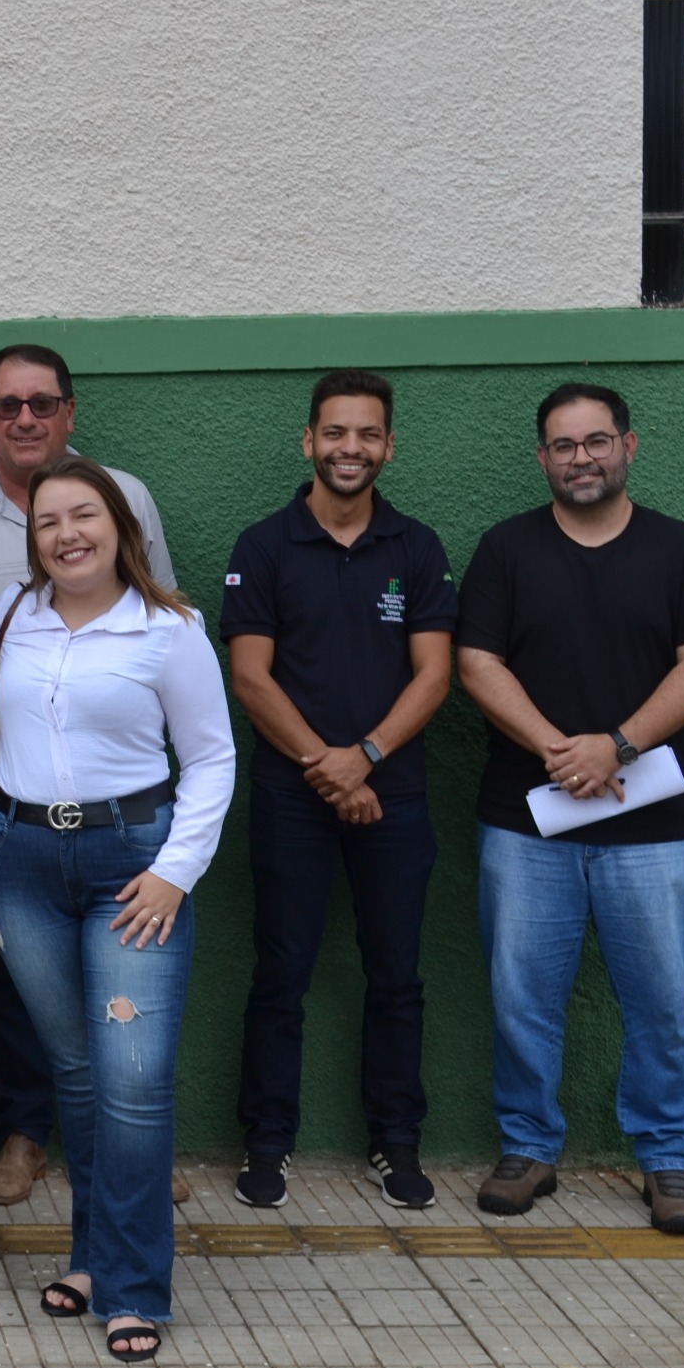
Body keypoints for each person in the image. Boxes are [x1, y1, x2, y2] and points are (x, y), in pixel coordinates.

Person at [456, 383, 684, 1237]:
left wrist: (613, 746)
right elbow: (476, 663)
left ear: (629, 446)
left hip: (653, 824)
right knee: (521, 995)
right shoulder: (505, 551)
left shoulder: (683, 551)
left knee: (663, 999)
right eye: (564, 445)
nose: (582, 458)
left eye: (596, 441)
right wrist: (556, 748)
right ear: (542, 458)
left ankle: (668, 1160)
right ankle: (529, 1147)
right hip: (526, 815)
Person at [0, 454, 234, 1364]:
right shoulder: (10, 618)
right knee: (79, 1073)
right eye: (49, 522)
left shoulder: (170, 630)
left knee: (132, 1082)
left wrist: (177, 871)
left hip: (135, 866)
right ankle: (92, 1256)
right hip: (22, 862)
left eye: (84, 515)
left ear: (120, 527)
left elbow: (211, 758)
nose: (67, 535)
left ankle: (134, 1288)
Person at [0, 344, 185, 1209]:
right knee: (11, 973)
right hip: (3, 784)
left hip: (119, 791)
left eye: (42, 403)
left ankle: (134, 1146)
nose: (25, 419)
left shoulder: (125, 497)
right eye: (6, 406)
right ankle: (26, 1134)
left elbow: (161, 626)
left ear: (70, 412)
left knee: (130, 998)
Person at [223, 371, 458, 1213]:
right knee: (280, 971)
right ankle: (266, 1143)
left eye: (366, 435)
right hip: (292, 797)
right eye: (334, 433)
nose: (349, 449)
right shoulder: (264, 546)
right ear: (308, 442)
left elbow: (436, 675)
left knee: (396, 974)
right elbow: (251, 679)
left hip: (392, 792)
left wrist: (364, 757)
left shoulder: (416, 548)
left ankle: (396, 1144)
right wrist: (328, 767)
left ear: (389, 446)